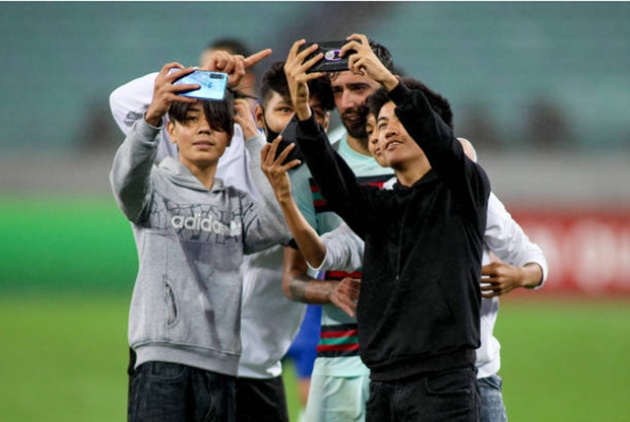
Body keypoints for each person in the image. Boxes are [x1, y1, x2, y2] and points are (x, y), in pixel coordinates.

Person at [265, 103, 548, 422]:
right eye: (373, 130)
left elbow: (530, 255)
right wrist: (286, 199)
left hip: (472, 375)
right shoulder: (382, 202)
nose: (378, 136)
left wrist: (521, 275)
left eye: (387, 125)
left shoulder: (463, 191)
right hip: (394, 382)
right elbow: (323, 252)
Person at [110, 51, 334, 421]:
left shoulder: (241, 203)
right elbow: (125, 174)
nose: (201, 129)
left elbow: (280, 224)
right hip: (163, 359)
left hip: (229, 366)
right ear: (171, 130)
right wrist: (191, 84)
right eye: (191, 120)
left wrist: (251, 138)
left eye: (213, 124)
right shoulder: (155, 187)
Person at [284, 33, 491, 420]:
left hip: (443, 385)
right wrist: (302, 111)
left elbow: (442, 145)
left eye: (400, 119)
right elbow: (338, 185)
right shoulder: (383, 207)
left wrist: (390, 81)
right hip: (383, 386)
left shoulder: (462, 190)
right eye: (380, 123)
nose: (388, 129)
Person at [278, 37, 396, 422]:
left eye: (358, 88)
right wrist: (330, 288)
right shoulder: (312, 162)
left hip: (409, 360)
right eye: (338, 91)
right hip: (338, 360)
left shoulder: (417, 158)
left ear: (384, 83)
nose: (346, 103)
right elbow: (293, 278)